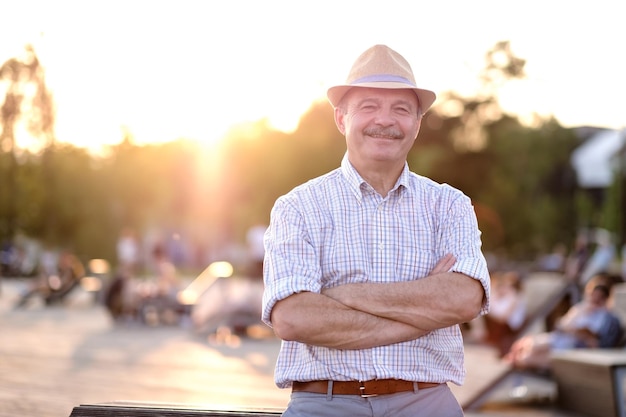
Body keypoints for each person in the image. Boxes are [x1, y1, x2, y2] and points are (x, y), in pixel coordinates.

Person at [262, 45, 491, 417]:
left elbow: (464, 298)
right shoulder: (298, 207)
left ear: (417, 123)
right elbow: (292, 317)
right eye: (369, 106)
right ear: (341, 119)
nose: (384, 120)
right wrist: (423, 313)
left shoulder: (450, 205)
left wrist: (346, 295)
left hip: (426, 401)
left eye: (401, 109)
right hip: (323, 403)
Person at [504, 274, 623, 371]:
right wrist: (574, 324)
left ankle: (516, 362)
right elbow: (562, 324)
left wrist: (575, 331)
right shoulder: (581, 309)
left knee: (528, 357)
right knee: (530, 344)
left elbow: (593, 339)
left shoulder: (606, 318)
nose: (594, 300)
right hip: (560, 339)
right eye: (593, 295)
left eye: (599, 297)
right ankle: (514, 360)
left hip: (572, 348)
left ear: (605, 299)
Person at [483, 271, 527, 356]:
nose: (504, 287)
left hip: (509, 326)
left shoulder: (515, 297)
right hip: (502, 322)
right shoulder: (506, 296)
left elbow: (504, 317)